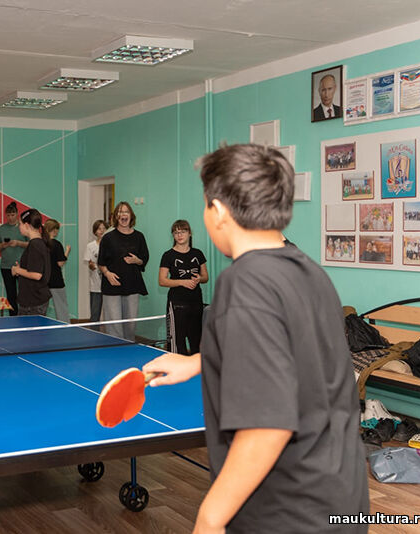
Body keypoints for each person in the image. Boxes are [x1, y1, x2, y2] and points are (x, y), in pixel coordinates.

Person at [143, 144, 368, 533]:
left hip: (287, 509)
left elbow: (268, 426)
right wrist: (198, 361)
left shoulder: (244, 282)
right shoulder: (308, 270)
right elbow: (293, 353)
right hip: (342, 497)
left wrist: (210, 518)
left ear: (219, 212)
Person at [97, 202, 149, 341]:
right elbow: (101, 262)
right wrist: (107, 274)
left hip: (132, 285)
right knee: (114, 325)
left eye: (126, 212)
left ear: (131, 216)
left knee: (130, 325)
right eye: (120, 212)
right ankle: (115, 349)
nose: (123, 215)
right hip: (112, 285)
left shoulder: (139, 237)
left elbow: (144, 259)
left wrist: (137, 260)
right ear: (115, 216)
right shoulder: (108, 238)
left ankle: (128, 349)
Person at [158, 219, 208, 354]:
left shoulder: (198, 254)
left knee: (196, 340)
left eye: (183, 232)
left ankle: (196, 366)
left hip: (196, 302)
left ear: (189, 233)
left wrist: (199, 279)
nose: (179, 235)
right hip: (177, 304)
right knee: (178, 342)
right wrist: (182, 282)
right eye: (176, 233)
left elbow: (205, 277)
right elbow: (162, 281)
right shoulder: (168, 255)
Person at [11, 208, 51, 316]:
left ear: (27, 225)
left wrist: (17, 270)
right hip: (33, 299)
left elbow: (36, 275)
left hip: (33, 301)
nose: (19, 227)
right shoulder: (37, 243)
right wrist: (21, 269)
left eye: (20, 224)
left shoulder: (35, 245)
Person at [0, 202, 28, 315]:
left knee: (25, 293)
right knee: (11, 294)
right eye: (8, 215)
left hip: (22, 266)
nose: (10, 217)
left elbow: (32, 244)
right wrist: (2, 245)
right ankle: (13, 318)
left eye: (12, 215)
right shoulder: (2, 229)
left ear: (17, 214)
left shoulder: (23, 227)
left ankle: (25, 316)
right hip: (6, 266)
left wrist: (18, 243)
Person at [44, 218, 71, 322]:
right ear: (54, 230)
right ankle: (65, 326)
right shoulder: (57, 244)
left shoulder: (41, 243)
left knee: (42, 308)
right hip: (56, 280)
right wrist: (67, 251)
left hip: (43, 280)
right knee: (61, 307)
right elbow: (60, 263)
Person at [83, 219, 107, 324]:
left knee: (111, 313)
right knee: (95, 313)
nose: (102, 231)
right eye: (99, 229)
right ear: (95, 231)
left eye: (104, 228)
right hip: (96, 284)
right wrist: (92, 266)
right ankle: (94, 330)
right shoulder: (90, 246)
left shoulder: (111, 245)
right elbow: (89, 263)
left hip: (110, 284)